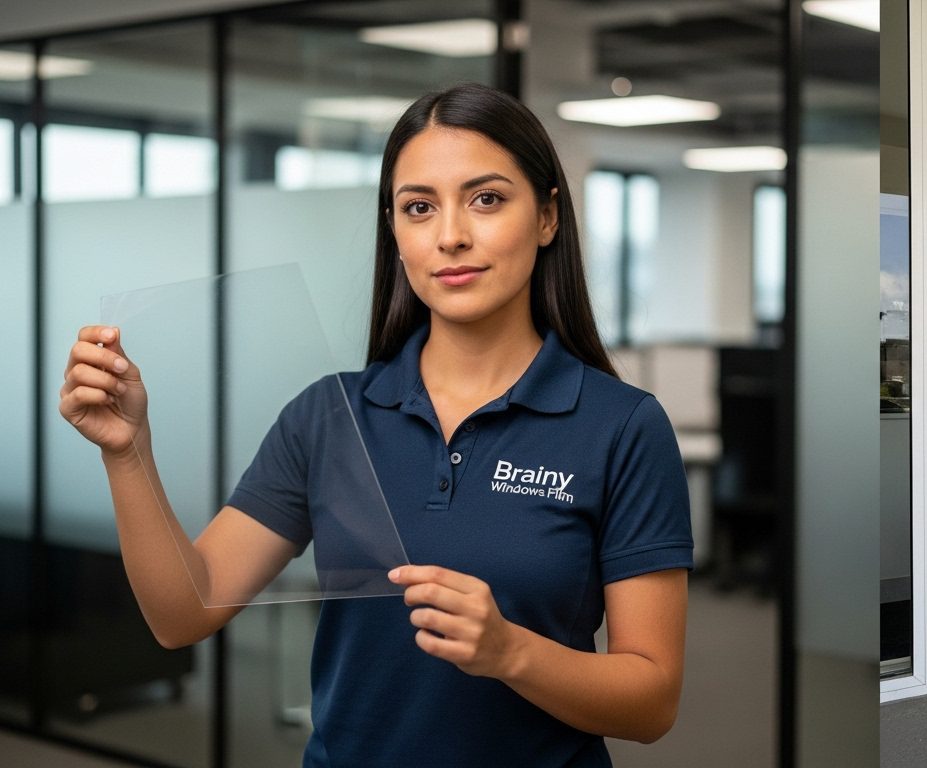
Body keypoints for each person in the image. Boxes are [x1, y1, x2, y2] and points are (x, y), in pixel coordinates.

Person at [58, 83, 692, 767]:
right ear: (395, 231)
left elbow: (651, 701)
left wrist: (511, 652)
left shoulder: (622, 427)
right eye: (419, 207)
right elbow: (184, 614)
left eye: (487, 199)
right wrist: (128, 453)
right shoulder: (331, 416)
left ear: (545, 217)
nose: (450, 235)